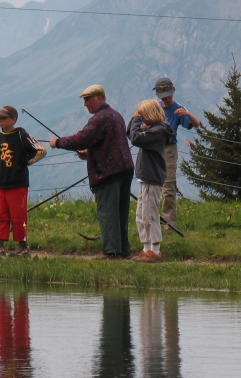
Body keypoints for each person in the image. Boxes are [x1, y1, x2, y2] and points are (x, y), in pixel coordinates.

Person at [49, 85, 134, 259]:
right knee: (121, 212)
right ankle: (123, 251)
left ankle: (111, 253)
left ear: (99, 98)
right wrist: (90, 153)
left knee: (108, 212)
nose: (85, 104)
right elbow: (110, 143)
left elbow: (82, 138)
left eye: (88, 99)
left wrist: (58, 143)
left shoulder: (99, 119)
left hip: (107, 172)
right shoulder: (116, 115)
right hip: (124, 169)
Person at [0, 105, 46, 256]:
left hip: (17, 183)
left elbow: (40, 150)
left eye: (4, 118)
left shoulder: (21, 134)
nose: (0, 121)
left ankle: (22, 246)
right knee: (0, 215)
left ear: (13, 119)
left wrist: (24, 162)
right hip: (1, 183)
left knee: (18, 216)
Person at [127, 99, 173, 263]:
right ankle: (146, 248)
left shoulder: (158, 131)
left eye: (143, 115)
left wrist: (137, 120)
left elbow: (135, 139)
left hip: (152, 177)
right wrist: (135, 120)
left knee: (150, 214)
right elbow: (131, 134)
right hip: (146, 177)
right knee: (141, 214)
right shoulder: (153, 129)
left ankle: (155, 250)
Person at [153, 77, 201, 230]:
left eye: (168, 95)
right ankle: (152, 223)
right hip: (154, 149)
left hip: (169, 150)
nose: (166, 99)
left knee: (168, 187)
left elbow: (196, 124)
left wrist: (187, 115)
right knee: (152, 186)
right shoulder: (155, 107)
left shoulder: (179, 108)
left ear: (173, 91)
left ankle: (169, 224)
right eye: (163, 96)